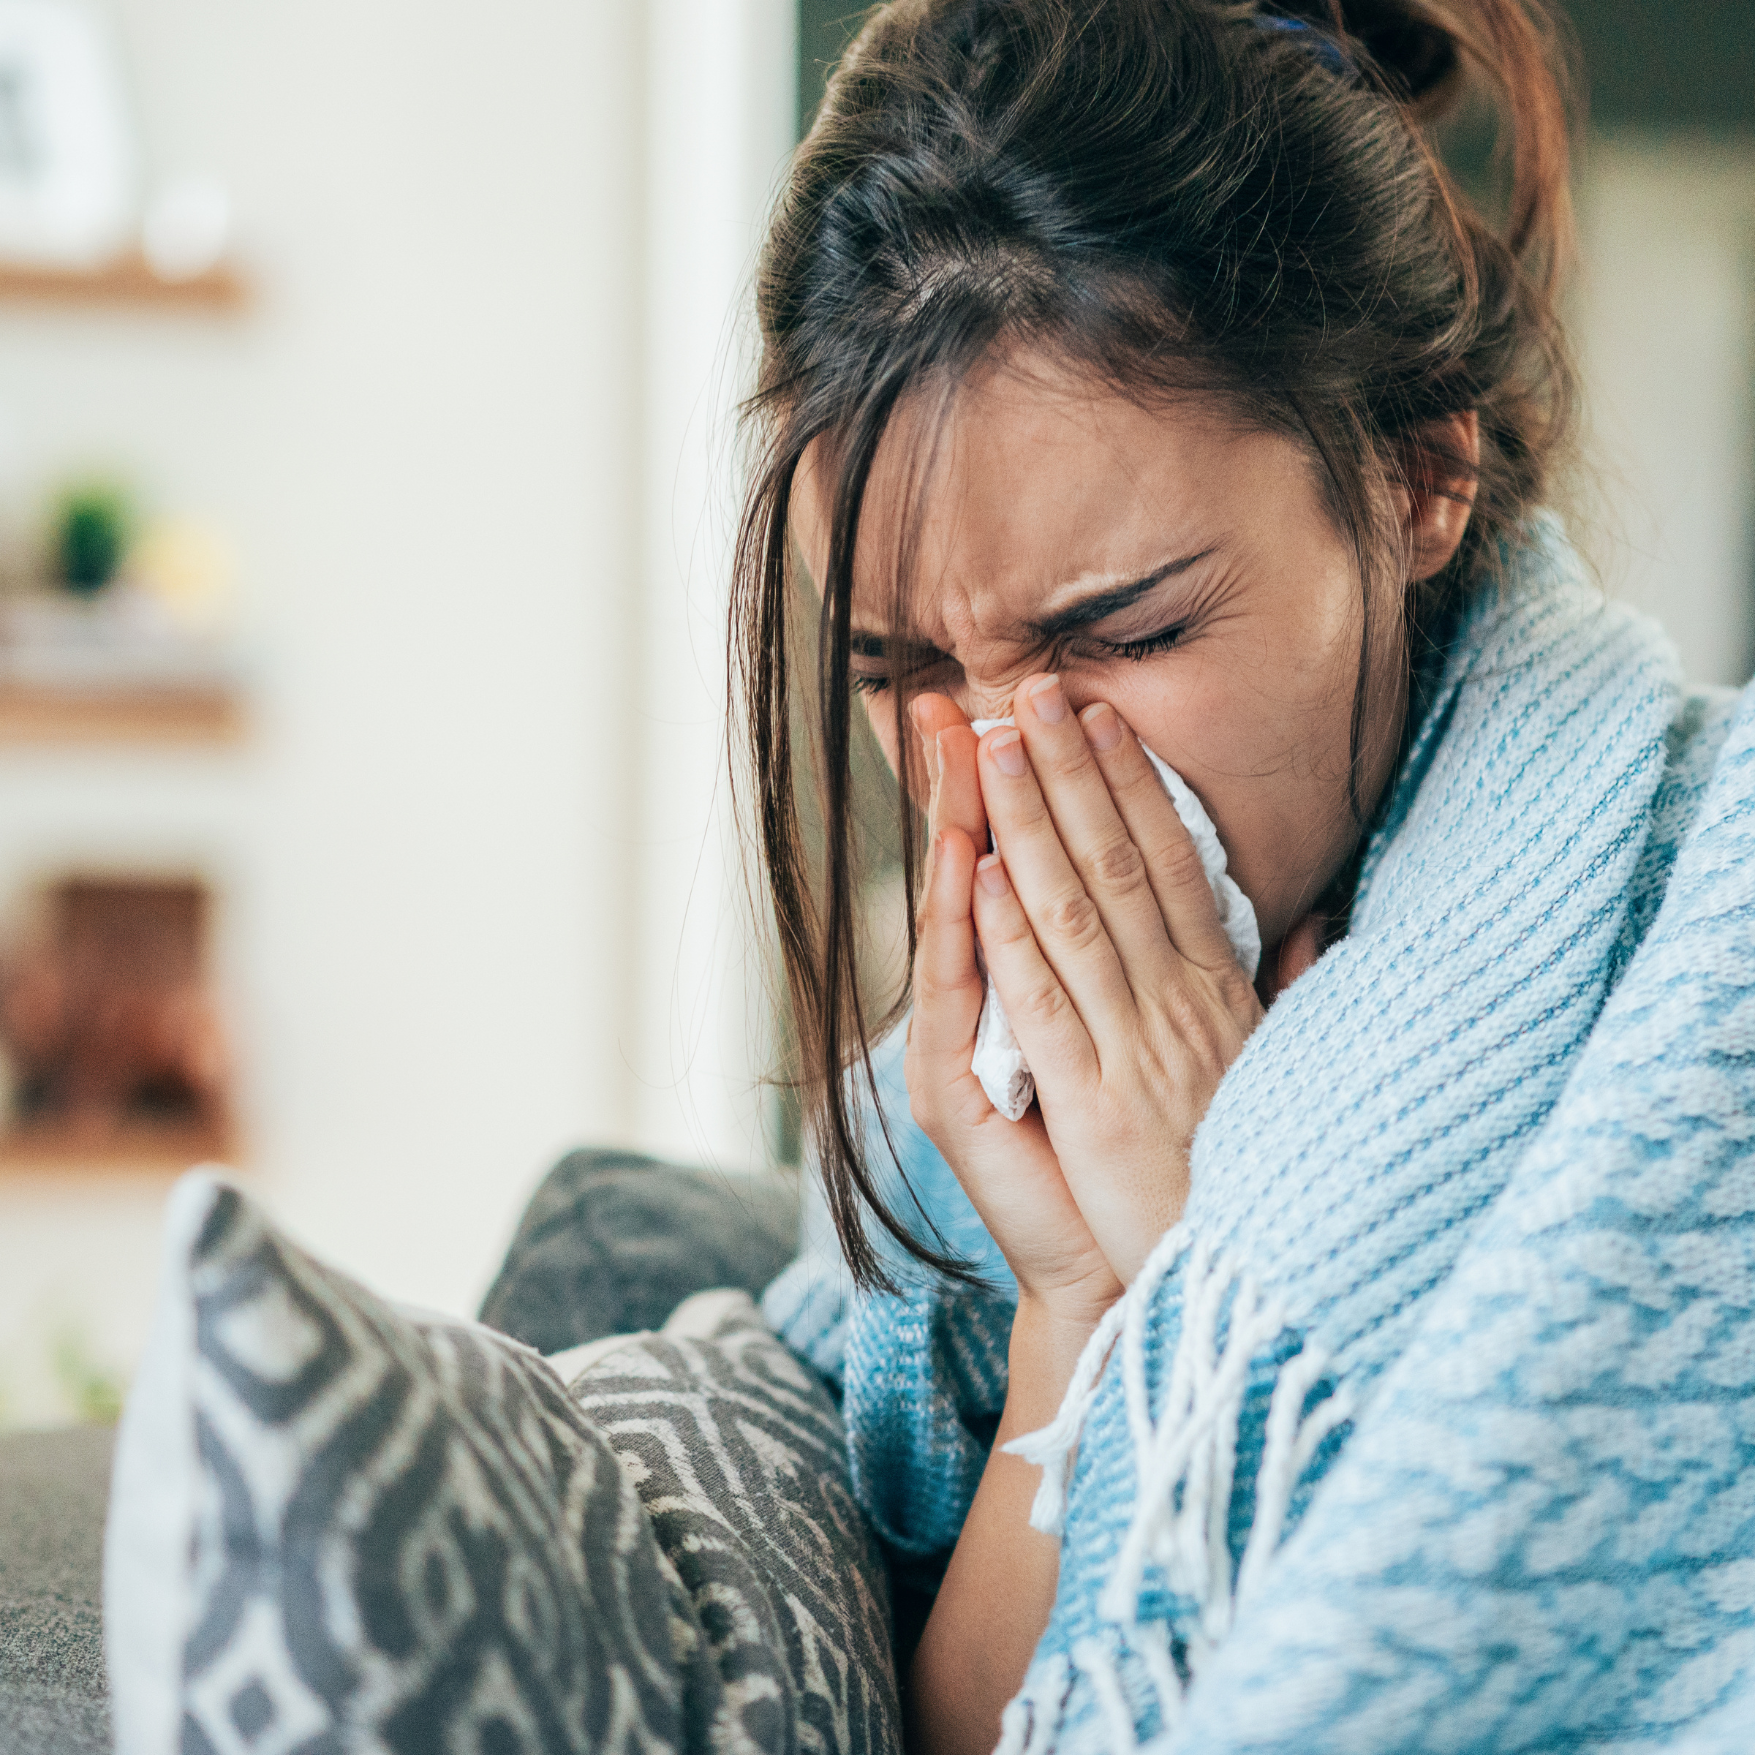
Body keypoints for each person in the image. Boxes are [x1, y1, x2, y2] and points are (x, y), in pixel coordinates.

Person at [737, 3, 1755, 1752]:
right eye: (900, 674)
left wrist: (1243, 1229)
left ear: (1422, 471)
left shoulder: (1711, 935)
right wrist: (1089, 1302)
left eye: (1119, 633)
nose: (999, 770)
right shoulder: (943, 1146)